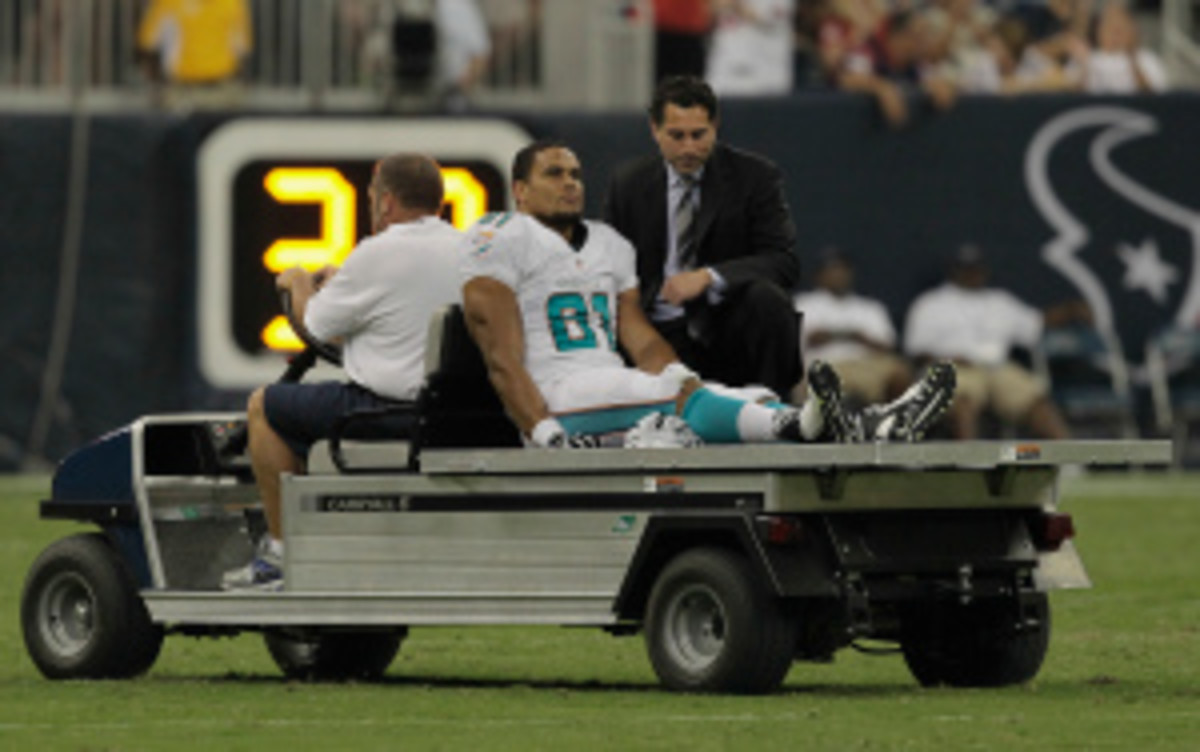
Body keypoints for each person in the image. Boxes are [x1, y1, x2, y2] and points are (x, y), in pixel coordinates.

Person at [463, 140, 957, 451]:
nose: (570, 183)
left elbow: (639, 336)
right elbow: (501, 356)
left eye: (575, 174)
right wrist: (542, 432)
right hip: (560, 397)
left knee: (746, 396)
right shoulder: (500, 234)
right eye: (554, 174)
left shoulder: (609, 244)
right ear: (520, 191)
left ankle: (857, 426)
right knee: (688, 401)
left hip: (610, 388)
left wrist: (681, 372)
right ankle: (836, 427)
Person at [222, 154, 463, 591]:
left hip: (385, 411)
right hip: (447, 412)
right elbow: (392, 319)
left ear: (386, 202)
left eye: (372, 198)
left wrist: (296, 282)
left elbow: (311, 327)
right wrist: (342, 284)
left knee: (265, 407)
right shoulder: (466, 250)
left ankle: (279, 555)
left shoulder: (376, 253)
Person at [603, 75, 801, 398]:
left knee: (769, 300)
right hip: (655, 326)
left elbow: (783, 262)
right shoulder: (628, 184)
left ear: (716, 126)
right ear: (654, 129)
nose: (689, 148)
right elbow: (610, 267)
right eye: (676, 136)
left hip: (725, 323)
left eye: (699, 135)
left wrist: (709, 277)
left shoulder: (754, 177)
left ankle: (776, 412)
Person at [903, 244, 1085, 440]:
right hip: (956, 368)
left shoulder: (1000, 301)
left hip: (997, 368)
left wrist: (1069, 310)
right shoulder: (930, 304)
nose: (973, 274)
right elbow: (916, 350)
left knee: (1035, 399)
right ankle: (970, 463)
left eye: (976, 268)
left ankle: (1069, 459)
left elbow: (1036, 324)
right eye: (966, 269)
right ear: (953, 270)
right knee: (963, 401)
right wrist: (949, 359)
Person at [792, 248, 912, 406]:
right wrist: (854, 335)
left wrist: (836, 335)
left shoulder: (869, 307)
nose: (838, 275)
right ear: (819, 275)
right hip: (825, 365)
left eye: (842, 270)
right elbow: (811, 339)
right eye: (832, 270)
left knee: (900, 372)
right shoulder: (803, 303)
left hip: (867, 366)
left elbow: (886, 346)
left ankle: (895, 425)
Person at [136, 0, 252, 87]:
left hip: (181, 82)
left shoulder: (168, 3)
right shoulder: (233, 3)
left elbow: (148, 42)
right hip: (222, 79)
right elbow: (242, 47)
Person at [705, 0, 796, 96]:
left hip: (765, 73)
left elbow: (771, 18)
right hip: (725, 70)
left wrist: (736, 4)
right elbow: (711, 9)